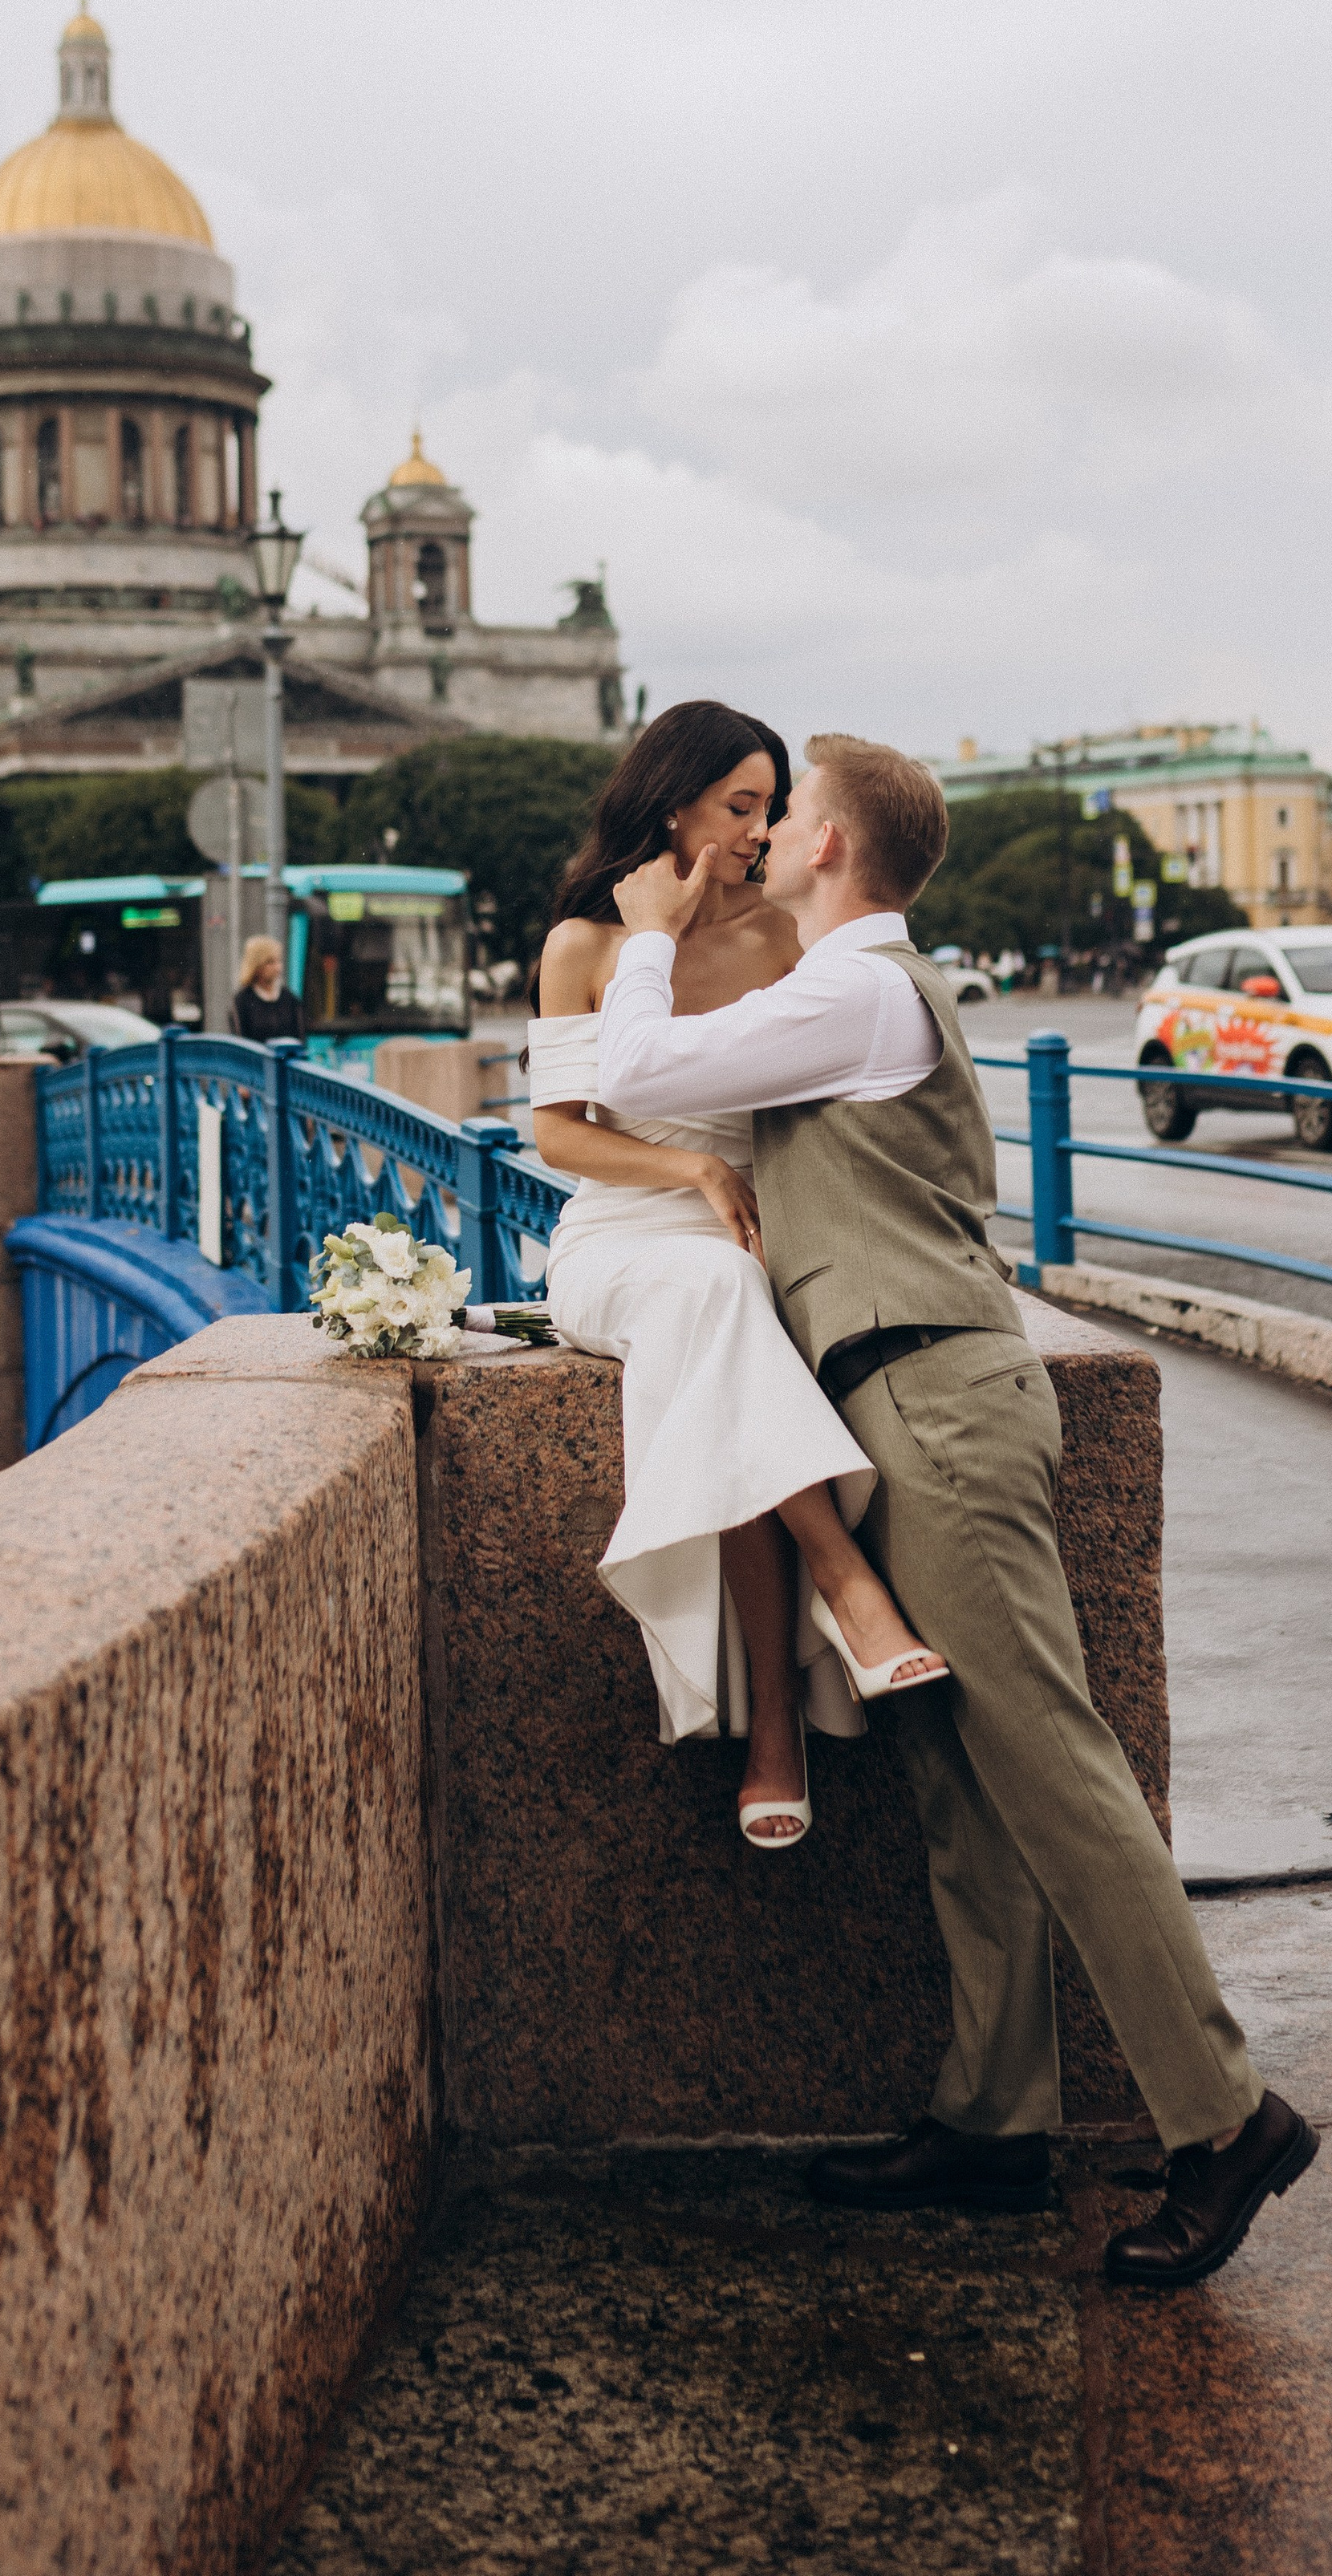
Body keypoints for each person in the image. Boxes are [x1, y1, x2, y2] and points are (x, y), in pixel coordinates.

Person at [597, 732, 1318, 2289]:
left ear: (836, 851)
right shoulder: (846, 991)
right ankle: (993, 2123)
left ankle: (1222, 2117)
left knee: (1049, 1765)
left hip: (934, 1397)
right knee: (959, 1775)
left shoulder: (856, 992)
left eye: (789, 815)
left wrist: (646, 938)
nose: (769, 830)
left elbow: (634, 1075)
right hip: (900, 1399)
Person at [530, 701, 949, 1854]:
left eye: (771, 809)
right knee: (719, 1298)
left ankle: (776, 1729)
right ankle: (842, 1584)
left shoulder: (777, 941)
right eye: (739, 807)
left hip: (739, 1243)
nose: (760, 833)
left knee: (727, 1319)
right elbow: (559, 1136)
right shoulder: (585, 946)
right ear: (674, 804)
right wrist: (692, 1172)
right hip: (622, 1238)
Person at [231, 934, 303, 1043]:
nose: (278, 968)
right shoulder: (242, 1000)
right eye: (270, 962)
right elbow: (241, 1042)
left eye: (279, 961)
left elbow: (300, 1040)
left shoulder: (290, 998)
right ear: (256, 965)